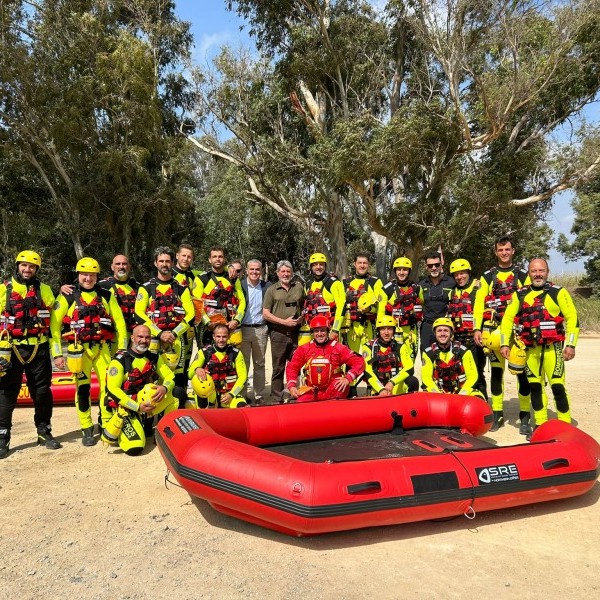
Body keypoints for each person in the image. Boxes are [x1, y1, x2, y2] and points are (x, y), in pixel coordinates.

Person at [51, 257, 127, 446]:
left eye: (92, 275)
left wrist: (124, 348)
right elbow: (54, 325)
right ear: (78, 275)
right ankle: (86, 428)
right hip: (79, 352)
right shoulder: (68, 296)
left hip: (103, 349)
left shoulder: (107, 295)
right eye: (84, 274)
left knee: (109, 388)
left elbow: (120, 323)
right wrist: (58, 354)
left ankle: (106, 423)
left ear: (97, 276)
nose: (88, 278)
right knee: (83, 389)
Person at [500, 258, 579, 439]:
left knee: (558, 387)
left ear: (547, 272)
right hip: (530, 350)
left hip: (553, 349)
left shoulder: (558, 292)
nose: (537, 274)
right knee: (535, 387)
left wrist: (571, 345)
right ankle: (541, 424)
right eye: (534, 271)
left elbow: (573, 318)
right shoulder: (519, 294)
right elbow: (507, 320)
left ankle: (564, 424)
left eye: (541, 270)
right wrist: (505, 343)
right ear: (529, 273)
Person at [0, 250, 60, 458]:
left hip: (39, 348)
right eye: (24, 265)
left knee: (42, 392)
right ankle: (2, 436)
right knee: (8, 393)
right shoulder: (3, 290)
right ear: (17, 266)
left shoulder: (45, 291)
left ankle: (44, 431)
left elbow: (54, 322)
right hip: (10, 349)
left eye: (32, 266)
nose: (27, 269)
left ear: (37, 269)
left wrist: (58, 352)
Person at [473, 235, 531, 432]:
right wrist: (477, 328)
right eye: (500, 250)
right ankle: (497, 414)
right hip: (494, 331)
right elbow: (479, 303)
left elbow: (531, 301)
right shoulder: (488, 276)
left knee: (521, 373)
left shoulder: (523, 275)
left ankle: (525, 416)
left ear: (513, 251)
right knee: (496, 372)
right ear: (495, 252)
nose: (504, 253)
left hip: (517, 333)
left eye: (507, 249)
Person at [102, 325, 184, 455]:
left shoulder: (154, 357)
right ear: (132, 337)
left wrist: (164, 387)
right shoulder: (120, 361)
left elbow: (170, 376)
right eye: (140, 337)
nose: (143, 340)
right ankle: (130, 428)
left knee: (177, 392)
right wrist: (137, 407)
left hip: (147, 404)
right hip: (129, 407)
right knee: (135, 449)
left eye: (147, 337)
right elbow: (113, 390)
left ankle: (163, 431)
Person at [134, 247, 195, 396]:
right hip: (153, 339)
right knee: (151, 375)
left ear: (173, 263)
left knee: (179, 378)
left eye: (168, 261)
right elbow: (138, 314)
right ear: (155, 263)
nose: (164, 264)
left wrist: (174, 333)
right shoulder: (146, 288)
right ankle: (151, 416)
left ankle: (176, 412)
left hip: (176, 339)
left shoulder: (182, 289)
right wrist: (159, 333)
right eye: (161, 261)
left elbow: (191, 315)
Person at [286, 315, 365, 402]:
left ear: (328, 331)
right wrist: (292, 386)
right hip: (312, 390)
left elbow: (359, 361)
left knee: (338, 392)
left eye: (322, 330)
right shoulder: (304, 349)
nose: (319, 334)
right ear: (312, 333)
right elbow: (292, 367)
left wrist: (348, 378)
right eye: (316, 331)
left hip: (333, 390)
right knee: (300, 405)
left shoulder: (338, 348)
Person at [262, 260, 305, 403]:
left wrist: (301, 318)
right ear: (277, 273)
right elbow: (265, 313)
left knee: (295, 365)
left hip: (295, 333)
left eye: (288, 271)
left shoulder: (299, 287)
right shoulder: (272, 289)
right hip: (278, 333)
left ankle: (294, 394)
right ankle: (277, 397)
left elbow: (305, 306)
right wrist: (283, 322)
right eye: (283, 271)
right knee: (278, 366)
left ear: (292, 273)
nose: (286, 274)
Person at [447, 258, 488, 399]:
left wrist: (478, 330)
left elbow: (480, 310)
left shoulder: (478, 287)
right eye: (456, 274)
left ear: (468, 272)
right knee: (460, 372)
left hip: (474, 339)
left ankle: (482, 402)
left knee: (476, 372)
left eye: (462, 273)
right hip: (458, 339)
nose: (459, 277)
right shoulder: (452, 292)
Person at [188, 323, 248, 408]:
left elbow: (243, 377)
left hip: (228, 394)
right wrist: (197, 369)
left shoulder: (236, 353)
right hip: (209, 394)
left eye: (224, 336)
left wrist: (232, 394)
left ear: (228, 336)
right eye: (218, 336)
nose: (221, 340)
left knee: (242, 406)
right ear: (213, 337)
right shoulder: (204, 352)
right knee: (195, 404)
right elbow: (190, 373)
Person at [421, 318, 484, 398]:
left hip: (461, 392)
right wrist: (438, 394)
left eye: (446, 330)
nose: (442, 334)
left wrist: (462, 394)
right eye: (439, 331)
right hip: (438, 393)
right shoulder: (428, 353)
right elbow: (426, 378)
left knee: (479, 399)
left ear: (451, 333)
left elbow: (472, 376)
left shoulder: (463, 351)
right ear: (435, 333)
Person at [196, 247, 246, 345]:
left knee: (230, 358)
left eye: (220, 256)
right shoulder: (202, 278)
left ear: (224, 259)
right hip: (208, 328)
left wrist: (237, 320)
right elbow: (197, 305)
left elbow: (242, 301)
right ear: (209, 259)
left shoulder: (233, 277)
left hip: (229, 326)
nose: (218, 259)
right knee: (207, 358)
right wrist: (208, 323)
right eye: (214, 256)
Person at [361, 316, 419, 396]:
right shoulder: (368, 347)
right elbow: (368, 371)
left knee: (413, 381)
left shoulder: (400, 346)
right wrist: (381, 389)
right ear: (378, 331)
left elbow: (409, 368)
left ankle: (411, 405)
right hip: (378, 389)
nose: (386, 333)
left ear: (394, 331)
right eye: (383, 329)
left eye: (389, 329)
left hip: (396, 387)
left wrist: (392, 382)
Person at [378, 256, 423, 358]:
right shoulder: (386, 289)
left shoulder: (416, 288)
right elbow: (380, 314)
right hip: (394, 331)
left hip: (412, 330)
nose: (402, 273)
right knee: (396, 361)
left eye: (405, 270)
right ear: (395, 271)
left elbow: (423, 304)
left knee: (411, 362)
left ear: (409, 271)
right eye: (399, 269)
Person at [240, 259, 271, 404]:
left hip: (260, 329)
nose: (254, 272)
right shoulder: (239, 285)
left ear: (261, 271)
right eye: (251, 269)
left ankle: (259, 395)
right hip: (243, 329)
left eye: (257, 269)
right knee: (242, 363)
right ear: (246, 270)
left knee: (259, 363)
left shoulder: (267, 286)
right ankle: (242, 394)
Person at [298, 252, 346, 346]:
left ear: (325, 266)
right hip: (312, 329)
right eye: (315, 265)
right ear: (311, 267)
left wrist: (335, 329)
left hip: (329, 329)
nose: (318, 267)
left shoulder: (334, 283)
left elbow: (341, 306)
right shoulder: (308, 284)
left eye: (321, 264)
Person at [342, 253, 383, 354]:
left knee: (370, 357)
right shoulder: (346, 282)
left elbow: (381, 305)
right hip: (351, 327)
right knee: (350, 359)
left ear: (368, 264)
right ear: (354, 264)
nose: (362, 265)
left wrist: (370, 310)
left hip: (369, 326)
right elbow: (340, 306)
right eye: (359, 263)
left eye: (365, 263)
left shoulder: (375, 282)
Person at [418, 251, 456, 352]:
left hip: (445, 326)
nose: (434, 268)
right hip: (427, 326)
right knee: (426, 356)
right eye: (430, 265)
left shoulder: (451, 282)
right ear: (426, 267)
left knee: (447, 358)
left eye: (436, 265)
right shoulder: (421, 284)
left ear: (441, 264)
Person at [98, 254, 140, 336]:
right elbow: (84, 287)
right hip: (113, 334)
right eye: (118, 264)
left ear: (129, 266)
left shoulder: (137, 286)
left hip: (134, 334)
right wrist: (65, 287)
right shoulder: (103, 286)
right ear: (112, 267)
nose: (121, 267)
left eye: (124, 264)